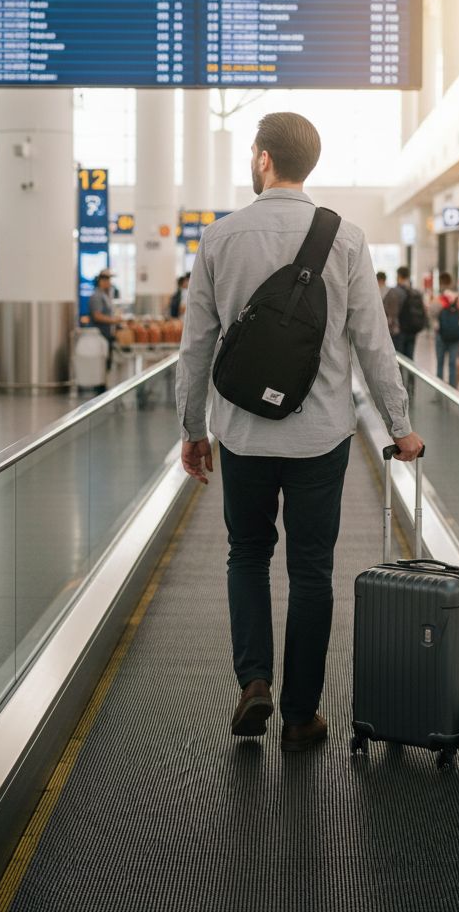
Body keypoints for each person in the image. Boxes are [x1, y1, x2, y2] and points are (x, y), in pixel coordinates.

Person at [175, 112, 423, 755]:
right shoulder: (345, 238)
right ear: (309, 164)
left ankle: (253, 678)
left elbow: (196, 347)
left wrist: (192, 428)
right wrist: (400, 426)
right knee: (312, 572)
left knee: (247, 555)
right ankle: (301, 712)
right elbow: (374, 343)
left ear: (262, 159)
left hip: (242, 435)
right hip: (320, 436)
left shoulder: (220, 237)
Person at [383, 266, 427, 360]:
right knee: (410, 359)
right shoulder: (416, 292)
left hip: (398, 331)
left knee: (399, 360)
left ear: (398, 275)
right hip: (413, 330)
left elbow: (389, 312)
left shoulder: (394, 292)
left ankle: (401, 375)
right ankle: (410, 375)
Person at [428, 271, 459, 386]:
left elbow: (431, 313)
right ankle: (453, 389)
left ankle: (439, 388)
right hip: (455, 335)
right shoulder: (457, 298)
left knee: (440, 363)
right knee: (453, 363)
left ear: (440, 283)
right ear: (451, 282)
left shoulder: (439, 299)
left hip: (441, 334)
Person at [87, 269, 121, 370]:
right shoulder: (96, 296)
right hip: (100, 336)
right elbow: (97, 316)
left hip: (107, 336)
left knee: (107, 364)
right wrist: (114, 320)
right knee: (101, 366)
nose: (110, 282)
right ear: (102, 281)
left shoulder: (105, 295)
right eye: (108, 279)